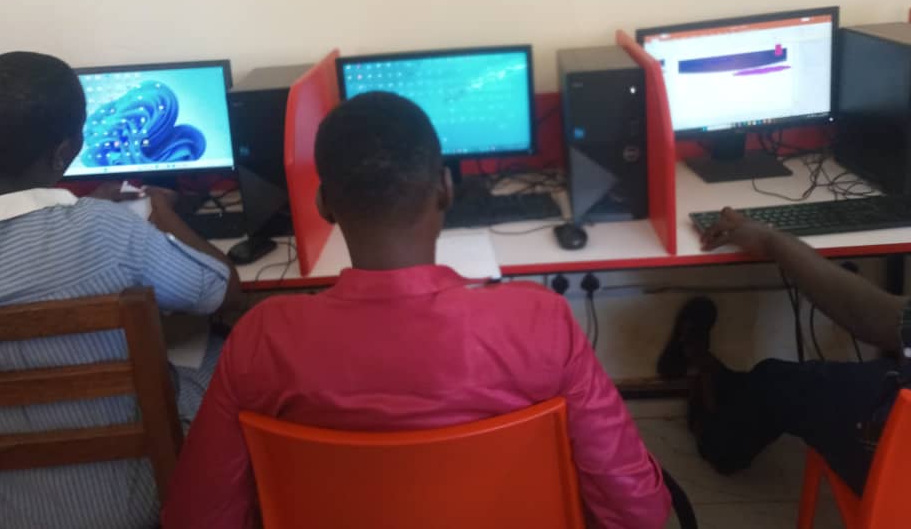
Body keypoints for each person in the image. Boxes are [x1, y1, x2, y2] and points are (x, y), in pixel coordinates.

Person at [162, 91, 671, 528]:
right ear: (446, 190)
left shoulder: (262, 338)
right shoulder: (541, 323)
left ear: (323, 206)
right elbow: (639, 512)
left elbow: (196, 519)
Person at [0, 51, 241, 529]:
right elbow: (223, 292)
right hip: (133, 505)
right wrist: (163, 213)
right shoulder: (105, 231)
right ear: (64, 151)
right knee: (222, 344)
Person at [659, 206, 911, 495]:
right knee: (897, 369)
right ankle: (720, 378)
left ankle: (715, 437)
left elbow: (873, 319)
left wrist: (772, 240)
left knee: (775, 380)